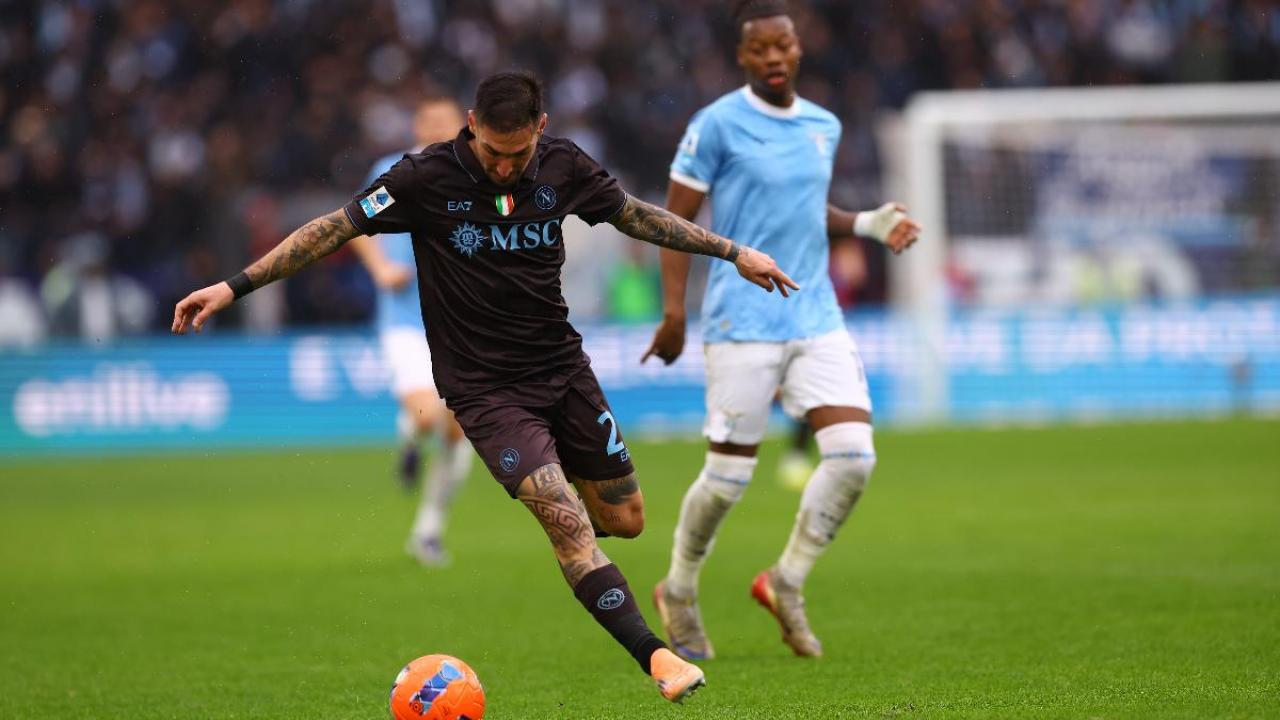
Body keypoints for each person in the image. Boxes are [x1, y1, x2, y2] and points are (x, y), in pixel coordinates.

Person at [172, 71, 797, 704]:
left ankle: (556, 483)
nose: (503, 167)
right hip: (485, 392)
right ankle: (658, 658)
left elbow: (636, 216)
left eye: (517, 154)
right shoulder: (424, 178)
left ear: (540, 130)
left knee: (624, 519)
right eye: (493, 152)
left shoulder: (564, 166)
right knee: (567, 526)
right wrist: (233, 286)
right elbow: (332, 228)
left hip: (563, 371)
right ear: (471, 125)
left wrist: (733, 252)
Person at [643, 0, 921, 661]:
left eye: (783, 46)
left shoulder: (823, 124)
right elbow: (673, 223)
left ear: (798, 50)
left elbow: (802, 208)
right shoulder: (716, 124)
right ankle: (678, 588)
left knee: (853, 457)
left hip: (815, 314)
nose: (773, 58)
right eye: (760, 49)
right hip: (742, 320)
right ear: (742, 56)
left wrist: (866, 223)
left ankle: (786, 580)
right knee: (727, 481)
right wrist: (674, 312)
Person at [347, 96, 474, 567]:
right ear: (417, 127)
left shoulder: (476, 175)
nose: (438, 128)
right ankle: (410, 435)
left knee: (458, 431)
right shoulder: (395, 173)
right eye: (429, 121)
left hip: (459, 322)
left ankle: (428, 532)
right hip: (405, 321)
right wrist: (381, 268)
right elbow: (356, 223)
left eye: (446, 121)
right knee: (426, 418)